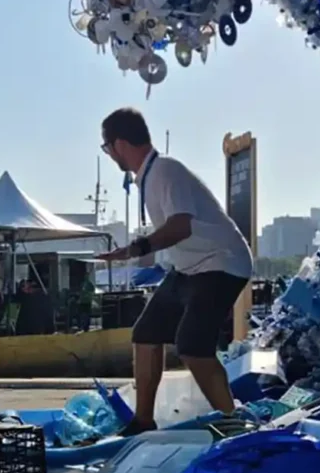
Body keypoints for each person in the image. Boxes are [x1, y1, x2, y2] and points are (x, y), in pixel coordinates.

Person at [99, 107, 253, 433]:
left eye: (107, 147)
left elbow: (180, 226)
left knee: (193, 346)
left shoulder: (165, 171)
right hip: (189, 268)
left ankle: (234, 423)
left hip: (222, 261)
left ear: (119, 144)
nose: (109, 155)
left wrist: (138, 248)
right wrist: (134, 248)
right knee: (145, 333)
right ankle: (143, 421)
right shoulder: (148, 177)